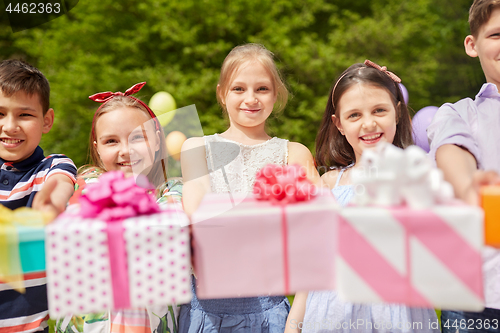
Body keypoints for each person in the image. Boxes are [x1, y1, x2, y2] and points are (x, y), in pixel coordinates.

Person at [285, 60, 438, 333]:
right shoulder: (329, 184)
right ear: (339, 124)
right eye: (354, 115)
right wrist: (293, 325)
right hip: (332, 318)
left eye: (379, 110)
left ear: (398, 112)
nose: (369, 123)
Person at [179, 43, 320, 333]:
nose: (251, 99)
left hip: (270, 311)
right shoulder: (197, 148)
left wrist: (295, 320)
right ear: (222, 93)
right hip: (204, 312)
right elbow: (199, 214)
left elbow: (316, 243)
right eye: (239, 89)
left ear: (276, 94)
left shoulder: (294, 154)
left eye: (262, 89)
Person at [56, 82, 181, 333]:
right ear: (98, 150)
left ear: (156, 141)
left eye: (137, 137)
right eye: (111, 141)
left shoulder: (173, 190)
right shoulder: (87, 184)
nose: (126, 150)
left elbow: (171, 224)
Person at [427, 0, 500, 331]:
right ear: (473, 45)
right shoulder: (458, 113)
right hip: (478, 297)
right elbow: (452, 150)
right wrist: (470, 185)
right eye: (497, 34)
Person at [0, 59, 77, 332]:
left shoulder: (53, 167)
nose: (10, 126)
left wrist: (50, 209)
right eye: (0, 114)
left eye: (24, 115)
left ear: (47, 121)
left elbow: (59, 187)